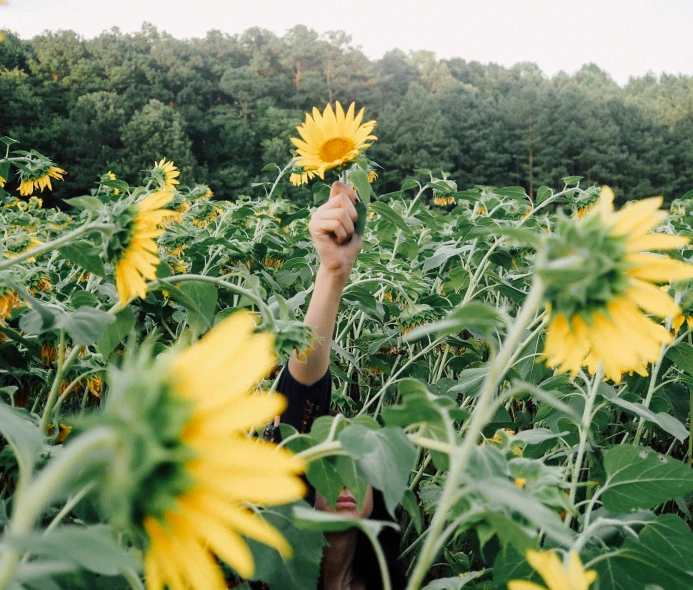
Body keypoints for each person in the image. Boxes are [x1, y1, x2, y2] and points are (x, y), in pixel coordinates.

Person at [261, 182, 407, 590]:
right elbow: (302, 394)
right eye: (329, 460)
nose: (346, 479)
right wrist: (333, 272)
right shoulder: (270, 575)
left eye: (359, 464)